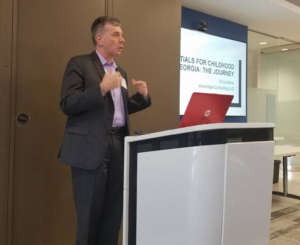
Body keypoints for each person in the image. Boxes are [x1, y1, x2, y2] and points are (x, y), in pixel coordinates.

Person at [58, 16, 151, 245]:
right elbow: (67, 103)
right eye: (116, 34)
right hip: (90, 149)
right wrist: (100, 88)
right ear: (99, 39)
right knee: (89, 216)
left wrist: (142, 98)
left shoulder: (121, 72)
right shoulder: (79, 64)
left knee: (113, 213)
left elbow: (118, 110)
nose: (122, 40)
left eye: (122, 35)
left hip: (119, 144)